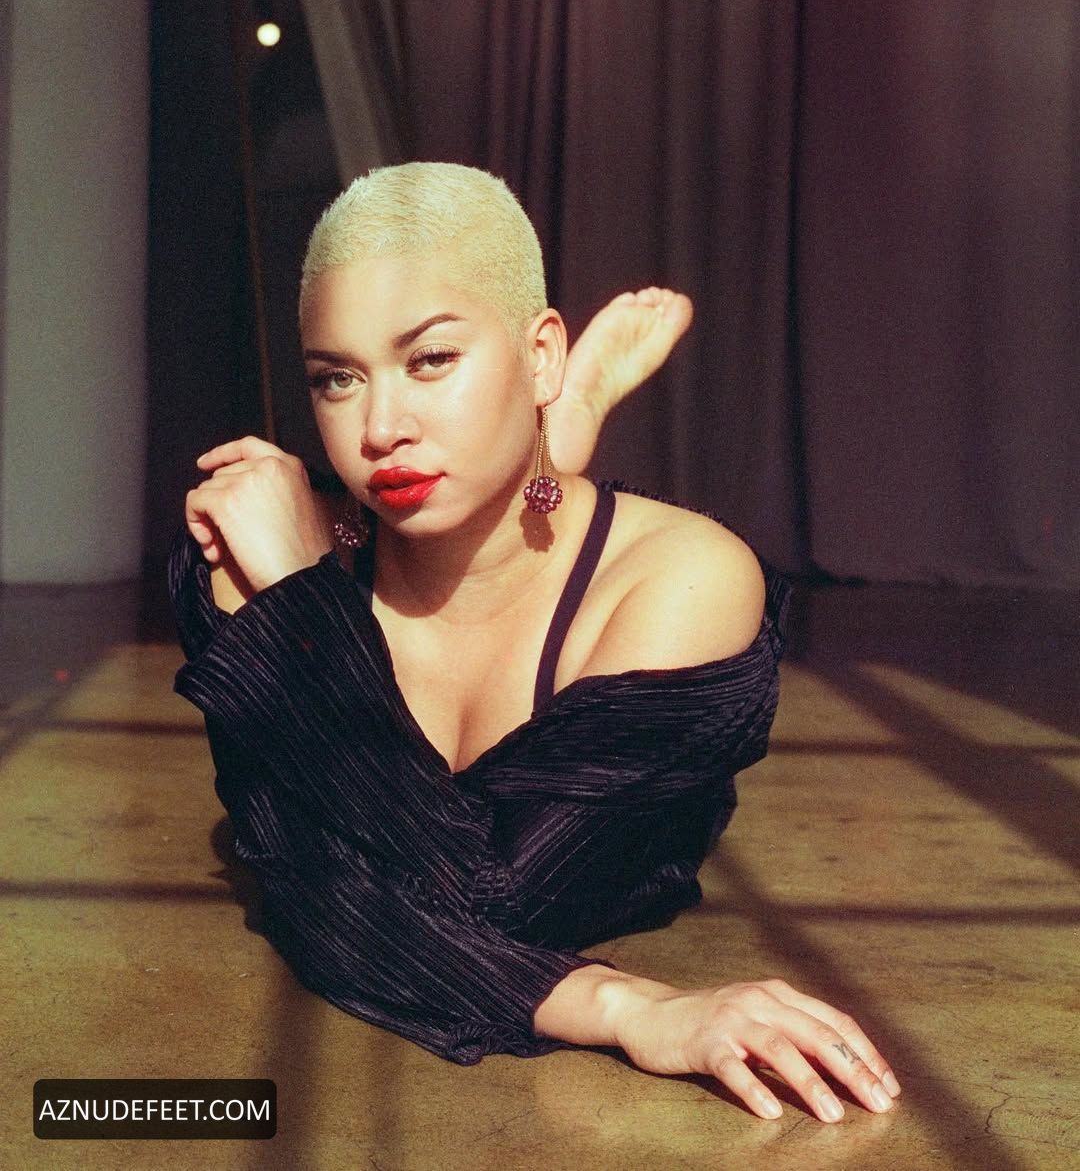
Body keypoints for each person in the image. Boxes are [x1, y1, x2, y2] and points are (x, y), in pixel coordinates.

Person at [169, 162, 900, 1124]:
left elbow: (496, 901)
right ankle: (550, 439)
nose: (380, 428)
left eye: (432, 360)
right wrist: (629, 1006)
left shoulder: (685, 583)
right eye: (336, 378)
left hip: (609, 844)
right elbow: (312, 887)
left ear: (540, 352)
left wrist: (303, 605)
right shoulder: (251, 554)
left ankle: (555, 427)